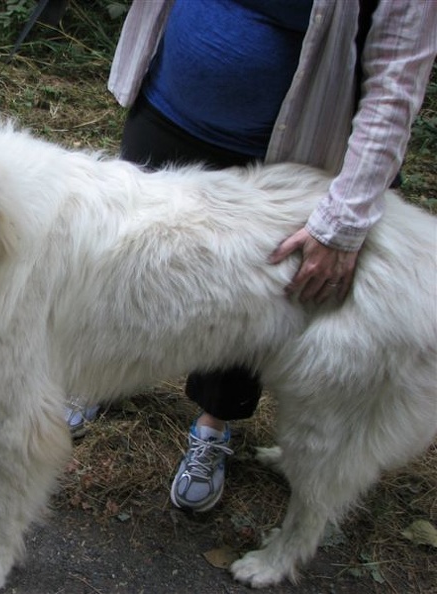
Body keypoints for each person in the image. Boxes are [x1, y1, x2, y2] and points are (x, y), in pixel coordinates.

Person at [67, 0, 437, 513]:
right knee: (116, 272)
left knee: (242, 308)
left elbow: (396, 87)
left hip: (282, 154)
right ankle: (94, 380)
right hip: (167, 107)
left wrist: (343, 223)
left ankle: (212, 426)